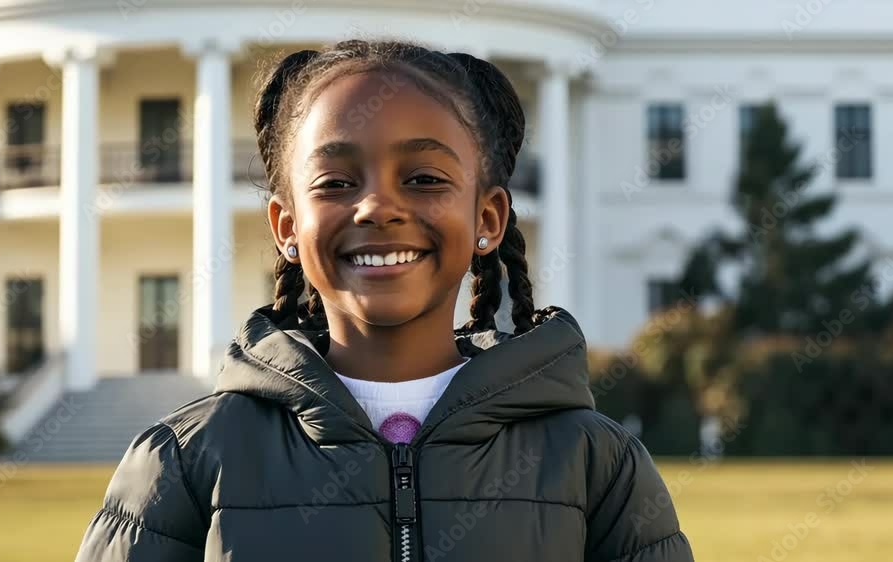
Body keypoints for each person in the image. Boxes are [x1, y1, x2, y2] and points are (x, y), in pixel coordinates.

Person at [74, 39, 695, 562]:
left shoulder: (594, 463)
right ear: (286, 227)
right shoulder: (188, 461)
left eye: (424, 178)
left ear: (488, 216)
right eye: (336, 183)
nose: (377, 206)